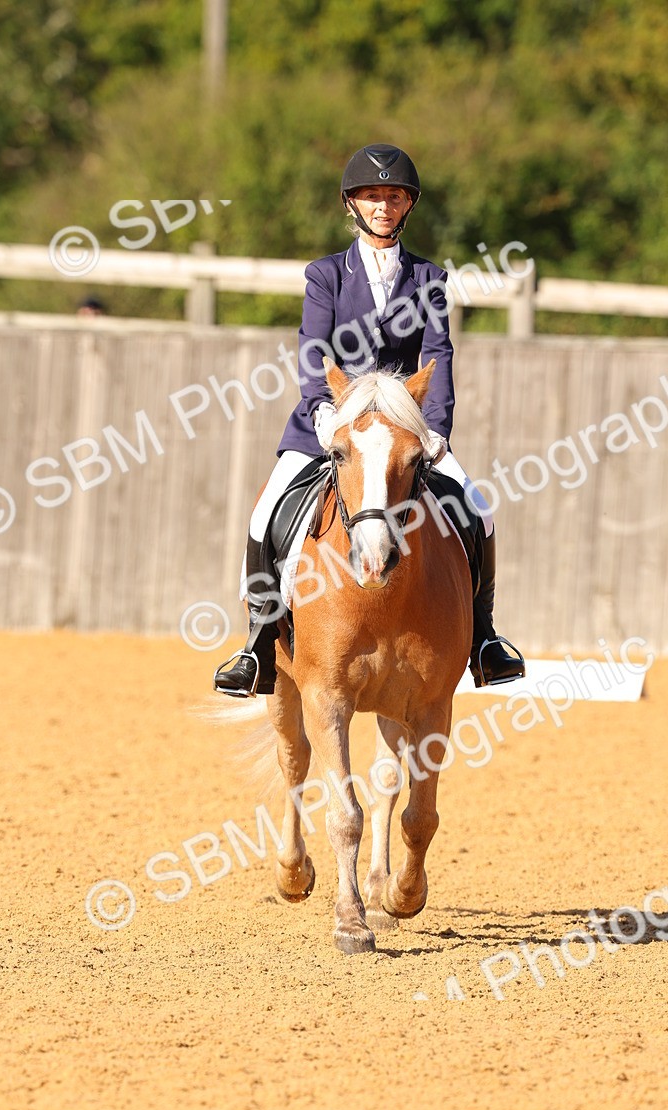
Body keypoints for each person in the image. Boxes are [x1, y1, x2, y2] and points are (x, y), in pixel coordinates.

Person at [215, 143, 525, 697]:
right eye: (372, 196)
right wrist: (323, 415)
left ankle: (484, 637)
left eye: (394, 196)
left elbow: (439, 354)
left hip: (406, 430)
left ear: (409, 205)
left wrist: (436, 428)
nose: (384, 205)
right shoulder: (327, 275)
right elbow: (314, 349)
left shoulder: (429, 278)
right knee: (267, 512)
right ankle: (259, 643)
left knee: (477, 509)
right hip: (334, 423)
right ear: (353, 204)